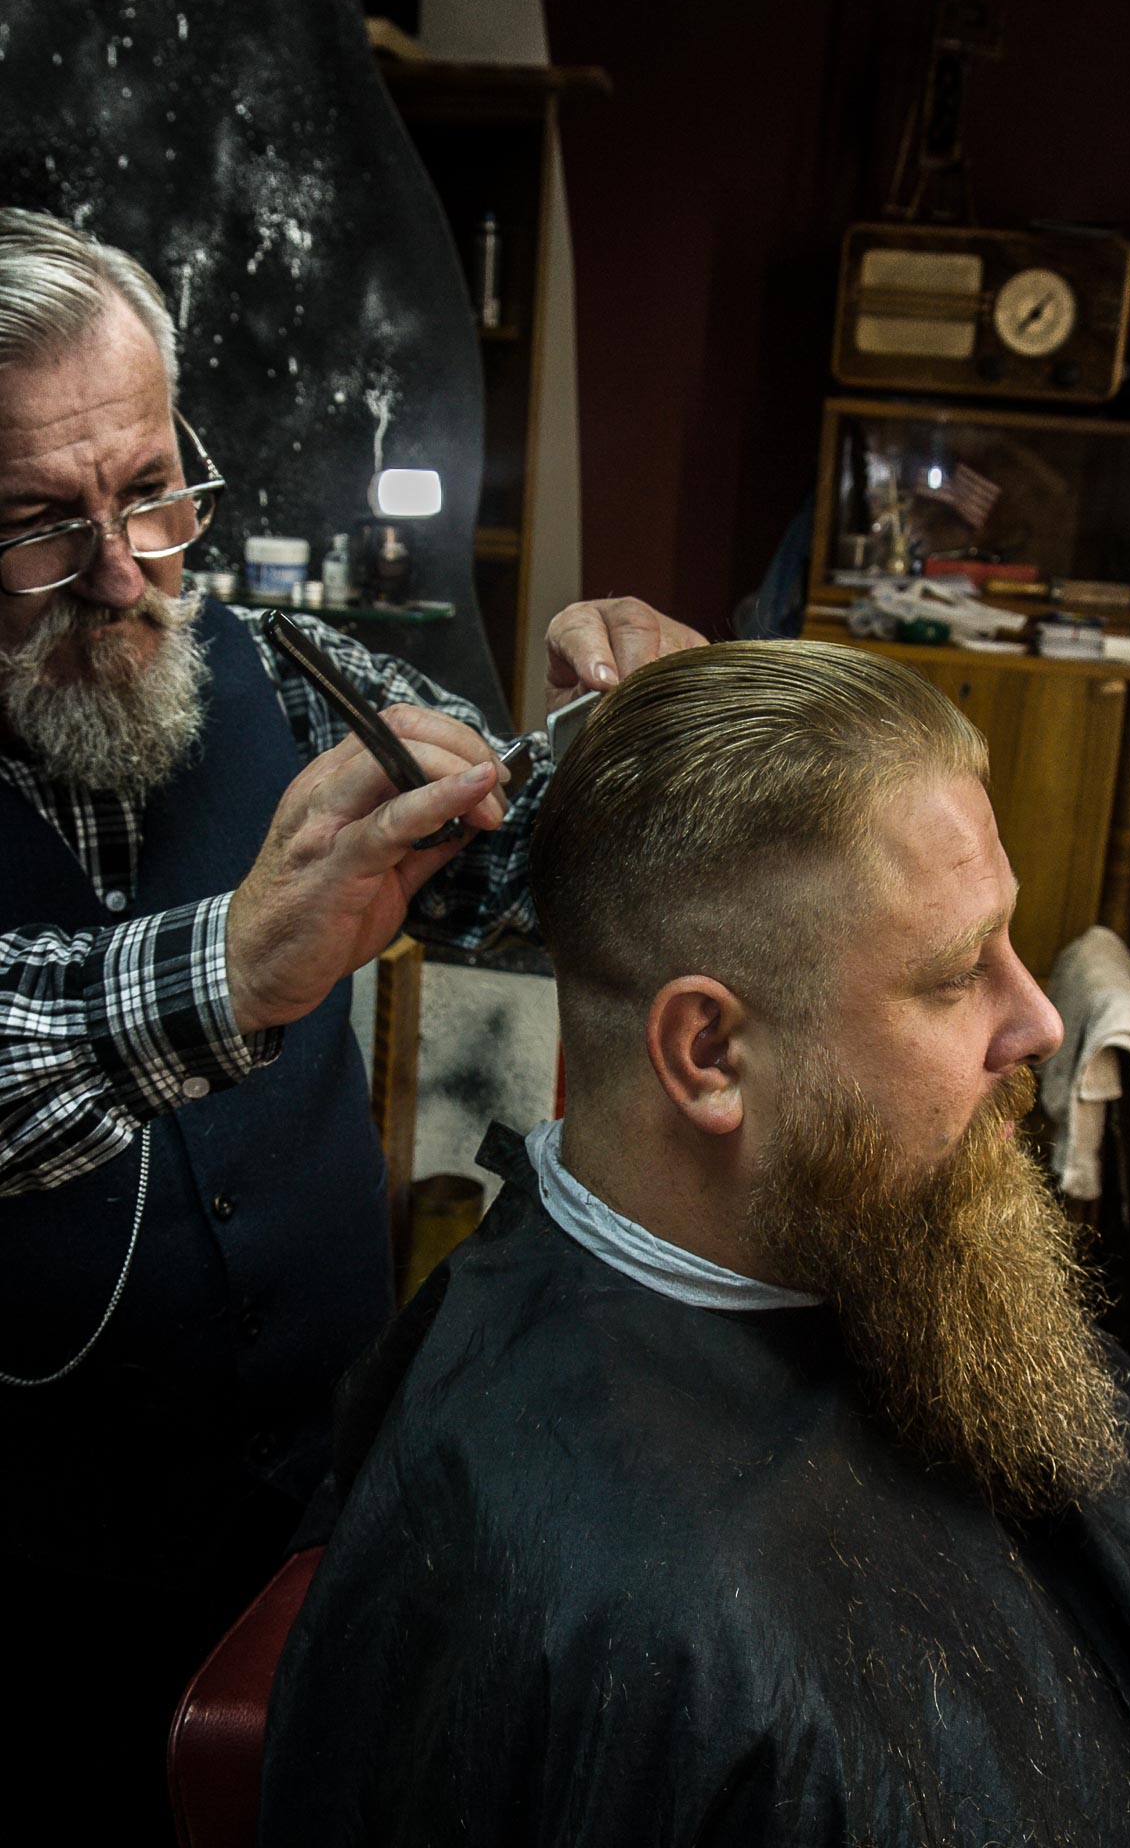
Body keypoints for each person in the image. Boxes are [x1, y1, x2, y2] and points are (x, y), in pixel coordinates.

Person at [263, 640, 1130, 1847]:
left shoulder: (877, 1245)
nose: (1041, 1021)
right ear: (710, 1054)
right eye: (958, 975)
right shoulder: (612, 1613)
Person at [0, 206, 701, 1833]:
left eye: (152, 490)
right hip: (33, 1585)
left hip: (322, 1502)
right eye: (36, 528)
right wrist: (241, 966)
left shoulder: (285, 671)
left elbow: (517, 860)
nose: (125, 574)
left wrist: (637, 740)